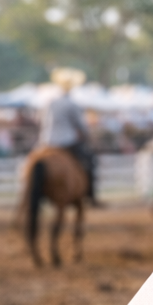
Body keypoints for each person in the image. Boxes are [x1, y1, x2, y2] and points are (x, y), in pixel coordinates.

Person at [38, 67, 99, 204]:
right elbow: (81, 125)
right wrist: (87, 136)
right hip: (67, 141)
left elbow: (43, 122)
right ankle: (90, 195)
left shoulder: (50, 103)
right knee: (90, 161)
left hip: (47, 141)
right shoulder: (72, 104)